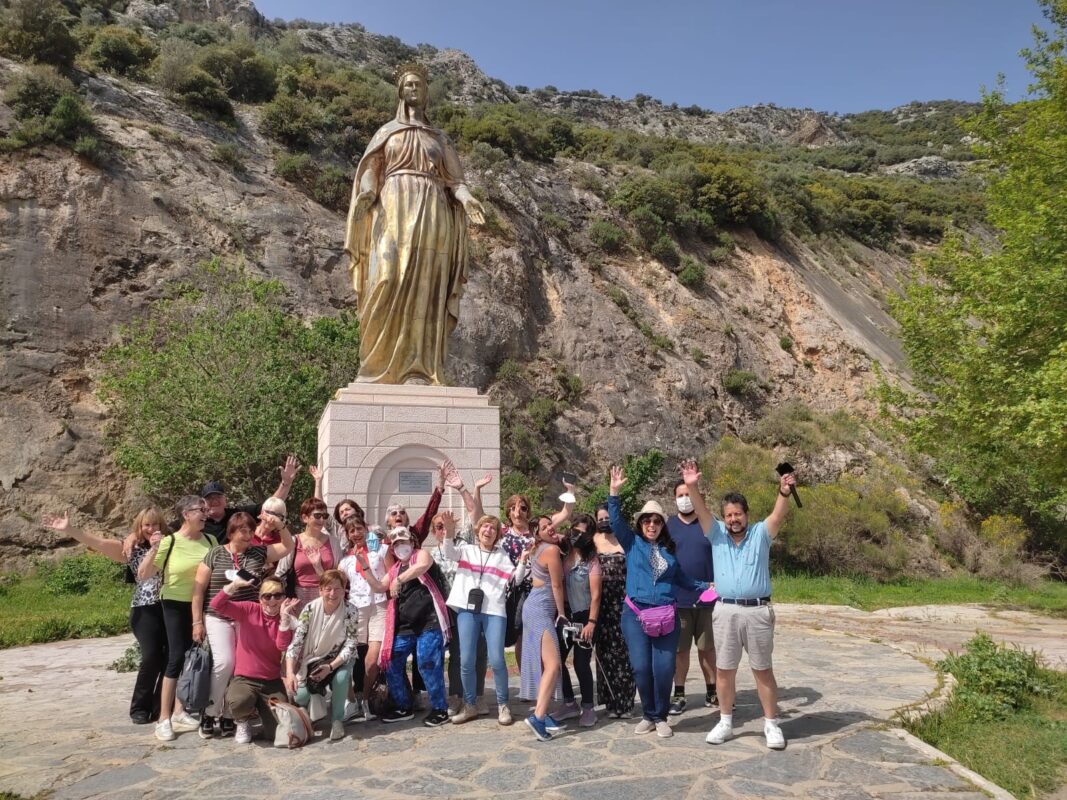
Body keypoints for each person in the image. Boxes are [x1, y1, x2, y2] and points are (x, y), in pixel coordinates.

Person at [343, 61, 486, 385]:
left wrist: (467, 198)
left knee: (427, 286)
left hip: (433, 213)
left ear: (426, 93)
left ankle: (419, 368)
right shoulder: (386, 133)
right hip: (392, 206)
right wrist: (367, 192)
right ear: (400, 91)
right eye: (408, 84)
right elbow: (372, 168)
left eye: (419, 85)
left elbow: (455, 180)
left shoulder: (439, 139)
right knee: (386, 278)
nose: (414, 89)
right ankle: (377, 367)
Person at [685, 464, 796, 750]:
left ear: (747, 514)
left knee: (762, 669)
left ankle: (771, 725)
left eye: (738, 514)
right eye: (729, 515)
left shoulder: (761, 534)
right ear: (724, 518)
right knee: (724, 669)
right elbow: (701, 511)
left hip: (757, 611)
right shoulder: (717, 534)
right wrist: (693, 487)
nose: (734, 519)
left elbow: (778, 514)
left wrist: (783, 491)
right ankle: (724, 721)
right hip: (725, 611)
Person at [608, 465, 710, 739]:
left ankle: (661, 716)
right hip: (635, 615)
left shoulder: (669, 552)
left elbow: (684, 580)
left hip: (666, 616)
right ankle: (648, 714)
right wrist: (614, 492)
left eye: (656, 521)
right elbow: (616, 522)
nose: (651, 525)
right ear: (641, 524)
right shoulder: (631, 543)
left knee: (664, 669)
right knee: (641, 667)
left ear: (662, 524)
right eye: (646, 521)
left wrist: (708, 587)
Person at [42, 507, 169, 725]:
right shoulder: (131, 548)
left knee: (170, 658)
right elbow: (98, 543)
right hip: (144, 608)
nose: (151, 528)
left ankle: (160, 705)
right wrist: (70, 529)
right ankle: (139, 706)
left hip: (169, 606)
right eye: (146, 524)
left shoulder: (171, 543)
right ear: (139, 526)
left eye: (155, 524)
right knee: (151, 656)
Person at [191, 511, 293, 739]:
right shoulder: (215, 554)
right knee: (224, 663)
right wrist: (197, 621)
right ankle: (210, 711)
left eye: (250, 530)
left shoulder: (258, 552)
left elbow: (287, 546)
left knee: (240, 668)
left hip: (246, 618)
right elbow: (198, 590)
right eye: (243, 531)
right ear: (232, 532)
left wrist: (280, 525)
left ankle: (230, 715)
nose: (248, 535)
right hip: (218, 615)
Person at [137, 496, 218, 741]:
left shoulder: (211, 540)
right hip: (173, 603)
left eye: (206, 510)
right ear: (186, 514)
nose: (206, 514)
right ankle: (163, 718)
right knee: (175, 657)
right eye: (200, 510)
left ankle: (179, 711)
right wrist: (153, 548)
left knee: (192, 657)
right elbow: (144, 574)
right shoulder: (170, 542)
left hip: (202, 604)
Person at [438, 511, 521, 726]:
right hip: (467, 609)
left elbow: (516, 579)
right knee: (466, 660)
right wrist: (449, 532)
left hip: (494, 610)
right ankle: (470, 705)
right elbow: (449, 553)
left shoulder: (502, 555)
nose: (488, 530)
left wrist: (523, 561)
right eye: (485, 526)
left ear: (497, 534)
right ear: (478, 530)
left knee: (497, 659)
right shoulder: (467, 550)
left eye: (493, 528)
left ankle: (503, 704)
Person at [368, 527, 451, 726]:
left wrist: (398, 580)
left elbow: (422, 566)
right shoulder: (395, 568)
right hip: (404, 626)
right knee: (391, 663)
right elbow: (380, 586)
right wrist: (364, 568)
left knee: (427, 664)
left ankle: (440, 709)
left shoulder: (420, 555)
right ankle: (403, 706)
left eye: (403, 541)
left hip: (428, 622)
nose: (400, 546)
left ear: (411, 542)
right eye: (395, 543)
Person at [210, 577, 299, 744]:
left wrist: (285, 619)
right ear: (260, 598)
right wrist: (234, 585)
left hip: (271, 682)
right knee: (239, 701)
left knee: (277, 732)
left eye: (278, 595)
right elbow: (216, 605)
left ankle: (262, 708)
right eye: (267, 596)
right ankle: (242, 721)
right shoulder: (249, 609)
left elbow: (281, 646)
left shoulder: (287, 619)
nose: (272, 600)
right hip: (245, 679)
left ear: (283, 598)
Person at [500, 486, 574, 683]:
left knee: (540, 636)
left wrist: (570, 490)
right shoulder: (503, 531)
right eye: (513, 508)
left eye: (522, 508)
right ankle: (529, 680)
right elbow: (477, 518)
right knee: (521, 637)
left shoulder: (537, 528)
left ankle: (542, 680)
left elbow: (566, 512)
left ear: (528, 511)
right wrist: (473, 490)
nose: (518, 512)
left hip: (540, 588)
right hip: (517, 588)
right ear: (507, 511)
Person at [285, 569, 360, 742]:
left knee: (341, 679)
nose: (332, 594)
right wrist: (290, 672)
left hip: (340, 657)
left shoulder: (351, 611)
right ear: (320, 590)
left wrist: (331, 666)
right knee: (300, 695)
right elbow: (297, 642)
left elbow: (350, 644)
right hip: (314, 658)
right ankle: (308, 713)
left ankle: (337, 720)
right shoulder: (310, 609)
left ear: (344, 590)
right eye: (328, 589)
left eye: (337, 589)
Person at [667, 474, 717, 716]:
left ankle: (713, 690)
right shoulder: (668, 527)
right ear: (674, 499)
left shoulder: (709, 524)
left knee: (707, 648)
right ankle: (679, 694)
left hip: (708, 600)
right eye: (680, 496)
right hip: (678, 600)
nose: (685, 499)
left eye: (688, 494)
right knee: (680, 650)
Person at [522, 515, 569, 742]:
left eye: (550, 523)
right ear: (536, 533)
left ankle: (544, 712)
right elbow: (557, 584)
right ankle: (538, 717)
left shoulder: (536, 548)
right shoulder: (550, 550)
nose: (550, 527)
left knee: (546, 664)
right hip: (541, 608)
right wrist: (561, 613)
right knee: (553, 665)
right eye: (544, 526)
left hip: (533, 606)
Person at [337, 514, 388, 721]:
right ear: (348, 536)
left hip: (379, 606)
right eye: (352, 531)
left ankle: (366, 699)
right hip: (356, 609)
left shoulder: (382, 551)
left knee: (372, 661)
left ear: (366, 529)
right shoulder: (346, 560)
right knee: (347, 657)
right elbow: (334, 582)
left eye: (359, 528)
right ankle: (351, 701)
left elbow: (391, 575)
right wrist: (316, 566)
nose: (356, 533)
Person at [592, 503, 636, 719]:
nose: (604, 521)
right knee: (605, 653)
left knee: (625, 653)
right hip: (601, 604)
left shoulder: (626, 540)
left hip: (625, 602)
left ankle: (626, 702)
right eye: (600, 518)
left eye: (607, 517)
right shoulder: (593, 541)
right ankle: (610, 701)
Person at [557, 514, 601, 728]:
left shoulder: (591, 560)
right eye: (575, 530)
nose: (577, 535)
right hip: (565, 616)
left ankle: (588, 707)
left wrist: (592, 622)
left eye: (583, 533)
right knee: (556, 660)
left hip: (584, 616)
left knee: (581, 663)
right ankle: (568, 702)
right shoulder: (562, 552)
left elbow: (596, 594)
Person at [274, 498, 344, 611]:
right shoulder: (293, 541)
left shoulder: (333, 542)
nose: (321, 520)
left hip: (328, 597)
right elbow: (280, 574)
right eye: (317, 516)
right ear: (304, 518)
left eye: (325, 516)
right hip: (298, 600)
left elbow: (339, 575)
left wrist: (318, 567)